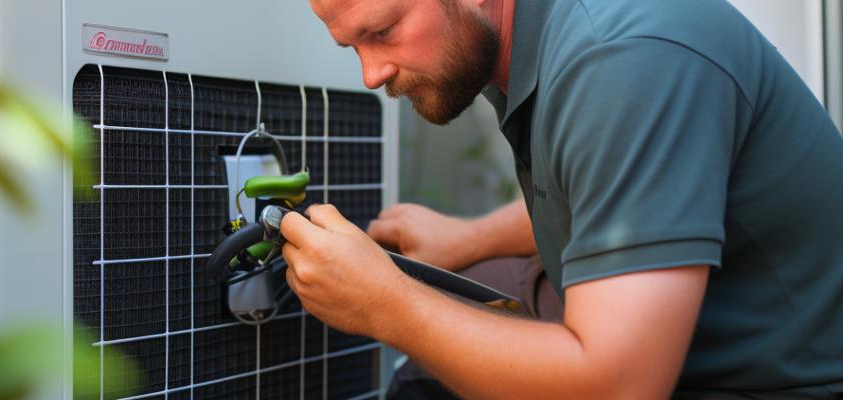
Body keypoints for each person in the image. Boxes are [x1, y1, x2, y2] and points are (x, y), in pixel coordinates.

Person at [281, 0, 843, 398]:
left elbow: (619, 388)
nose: (372, 73)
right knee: (484, 285)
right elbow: (613, 196)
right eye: (351, 45)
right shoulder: (532, 40)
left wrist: (386, 304)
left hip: (783, 384)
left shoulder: (620, 56)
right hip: (694, 353)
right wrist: (465, 237)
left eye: (381, 31)